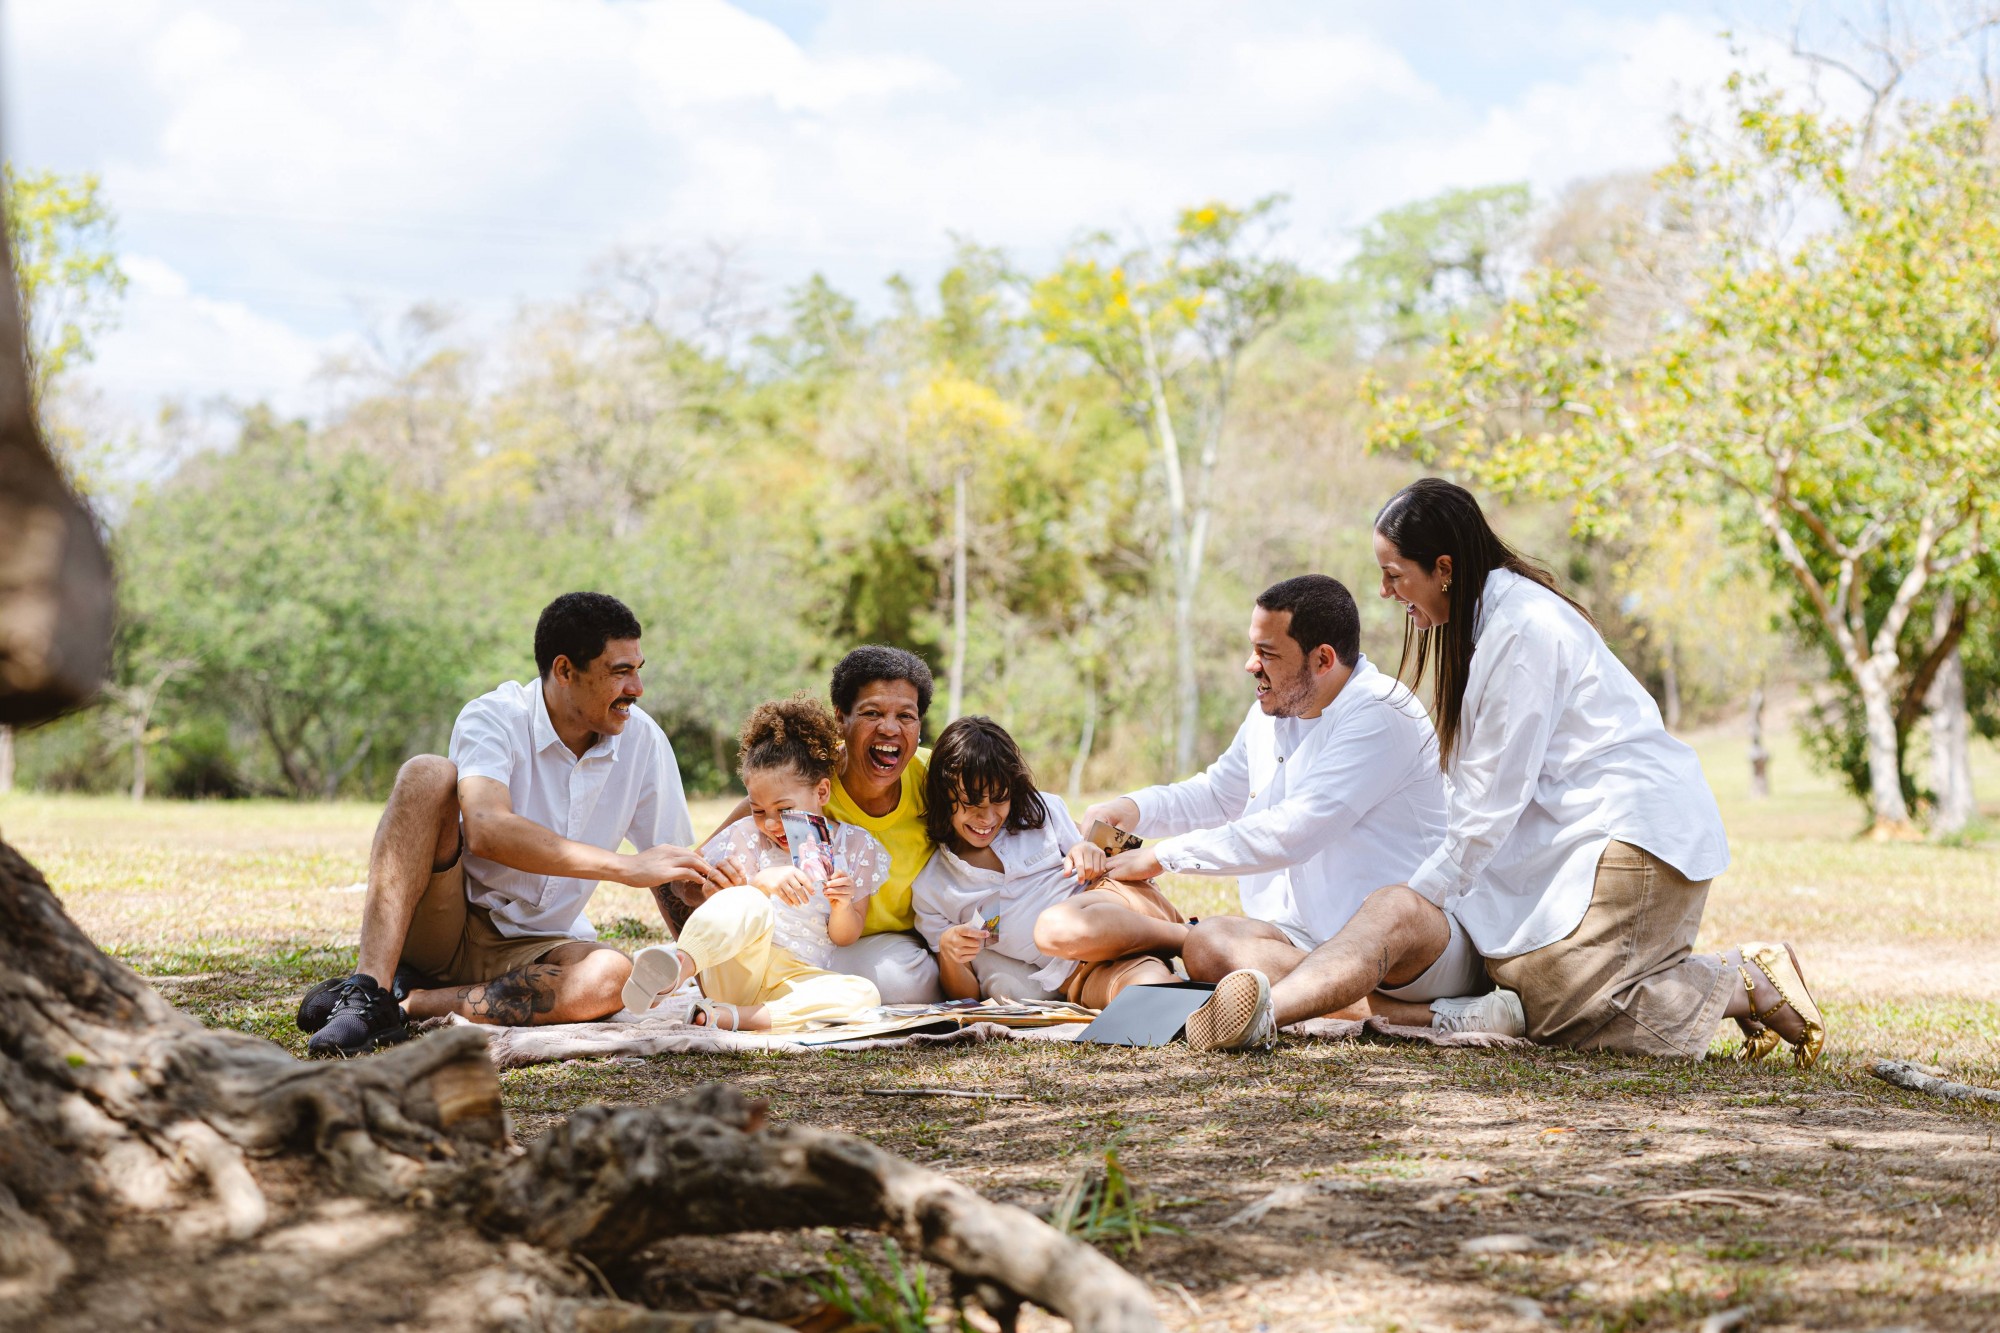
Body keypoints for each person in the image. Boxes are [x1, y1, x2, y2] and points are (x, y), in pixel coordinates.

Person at [1184, 479, 1825, 1065]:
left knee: (1566, 1015)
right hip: (1580, 840)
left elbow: (1492, 803)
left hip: (1632, 835)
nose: (1384, 593)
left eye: (1394, 575)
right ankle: (1735, 980)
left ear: (1444, 570)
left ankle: (1745, 979)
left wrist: (1418, 901)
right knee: (1533, 995)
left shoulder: (1523, 631)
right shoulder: (1487, 626)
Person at [1065, 575, 1515, 1041]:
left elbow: (1295, 830)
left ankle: (1275, 1013)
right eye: (1253, 649)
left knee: (1394, 905)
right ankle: (1418, 1016)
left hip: (1414, 944)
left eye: (1268, 653)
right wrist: (1132, 807)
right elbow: (1218, 793)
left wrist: (1163, 856)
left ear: (1322, 659)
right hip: (1308, 939)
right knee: (1206, 944)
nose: (1250, 665)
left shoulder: (1382, 711)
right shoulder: (1273, 711)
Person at [297, 592, 728, 1058]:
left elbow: (669, 874)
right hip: (446, 924)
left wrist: (714, 978)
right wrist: (625, 867)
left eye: (638, 669)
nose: (637, 688)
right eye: (620, 672)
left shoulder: (644, 740)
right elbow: (487, 828)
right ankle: (367, 990)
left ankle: (404, 1004)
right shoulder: (494, 717)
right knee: (426, 773)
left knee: (614, 977)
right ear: (565, 670)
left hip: (536, 948)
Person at [625, 694, 887, 1031]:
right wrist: (751, 884)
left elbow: (845, 937)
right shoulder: (748, 835)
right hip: (736, 968)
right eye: (758, 809)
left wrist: (842, 905)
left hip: (794, 977)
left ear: (821, 792)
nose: (772, 823)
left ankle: (728, 1018)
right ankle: (675, 969)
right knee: (749, 899)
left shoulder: (855, 846)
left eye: (784, 809)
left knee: (864, 994)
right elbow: (703, 896)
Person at [710, 646, 945, 1002]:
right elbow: (691, 876)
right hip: (793, 943)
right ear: (841, 719)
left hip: (881, 945)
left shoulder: (937, 777)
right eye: (872, 712)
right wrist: (721, 894)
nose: (889, 727)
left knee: (907, 980)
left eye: (906, 716)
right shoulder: (800, 779)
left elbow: (1011, 812)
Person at [913, 715, 1180, 1006]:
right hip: (1081, 973)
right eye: (972, 803)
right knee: (1148, 991)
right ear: (944, 797)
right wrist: (950, 955)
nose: (987, 818)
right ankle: (1186, 968)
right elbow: (965, 997)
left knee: (1057, 926)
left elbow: (1121, 857)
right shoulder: (932, 890)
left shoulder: (1040, 811)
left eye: (999, 800)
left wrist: (1088, 850)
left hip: (1116, 907)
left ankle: (1185, 937)